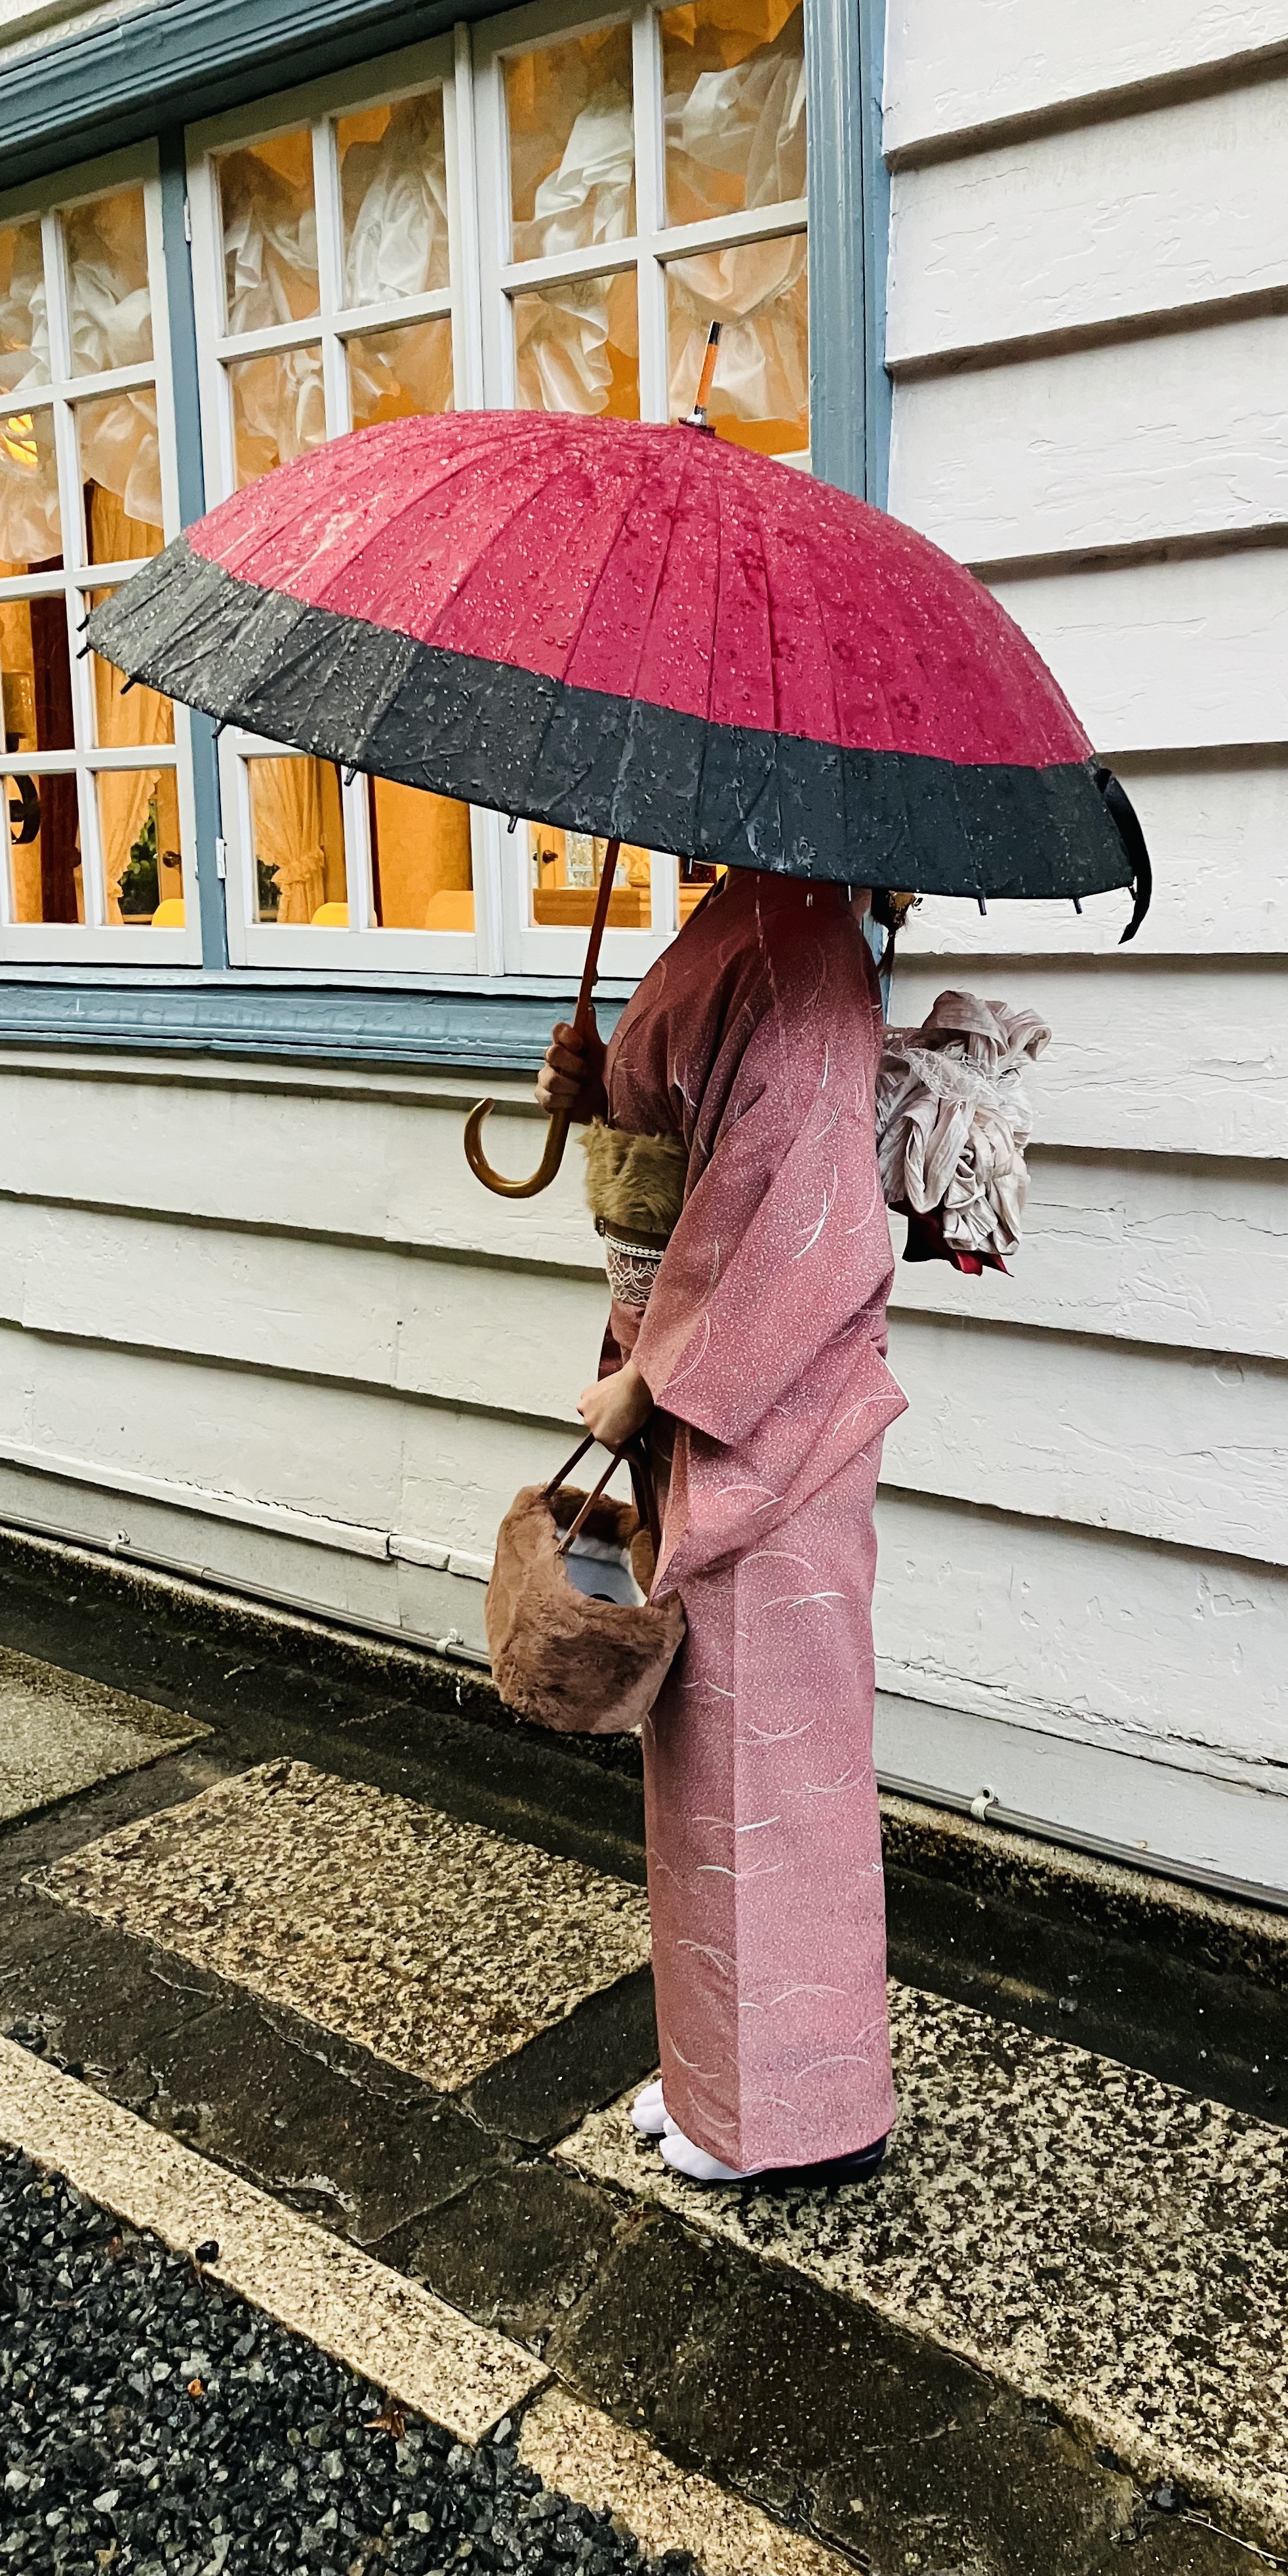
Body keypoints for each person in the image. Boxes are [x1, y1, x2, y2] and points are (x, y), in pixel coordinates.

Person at [537, 868, 904, 2188]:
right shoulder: (755, 919)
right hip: (710, 1393)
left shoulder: (802, 950)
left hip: (773, 1411)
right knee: (708, 1749)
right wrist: (587, 1095)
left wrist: (648, 1380)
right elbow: (677, 1142)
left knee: (774, 1758)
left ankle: (796, 2115)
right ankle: (716, 2072)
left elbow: (798, 1227)